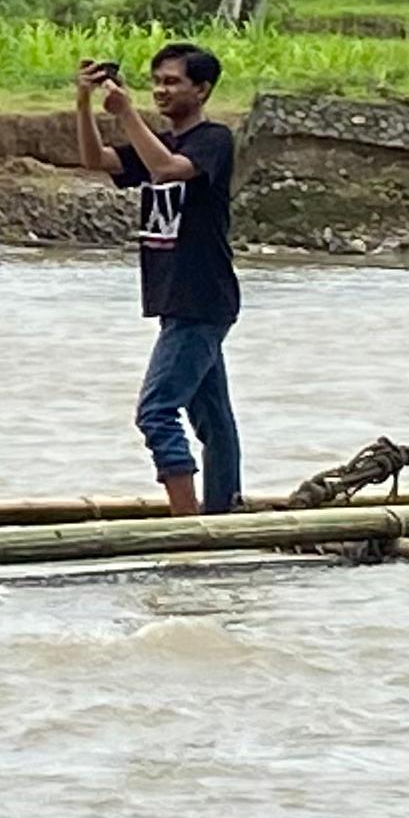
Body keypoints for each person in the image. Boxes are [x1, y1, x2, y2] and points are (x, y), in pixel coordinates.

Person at [72, 42, 242, 515]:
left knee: (156, 411)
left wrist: (126, 113)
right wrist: (85, 102)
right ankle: (223, 511)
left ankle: (187, 522)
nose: (162, 91)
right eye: (157, 82)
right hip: (175, 300)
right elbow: (94, 159)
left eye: (173, 82)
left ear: (202, 89)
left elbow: (168, 170)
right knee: (213, 419)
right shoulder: (158, 142)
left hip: (201, 298)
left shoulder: (214, 140)